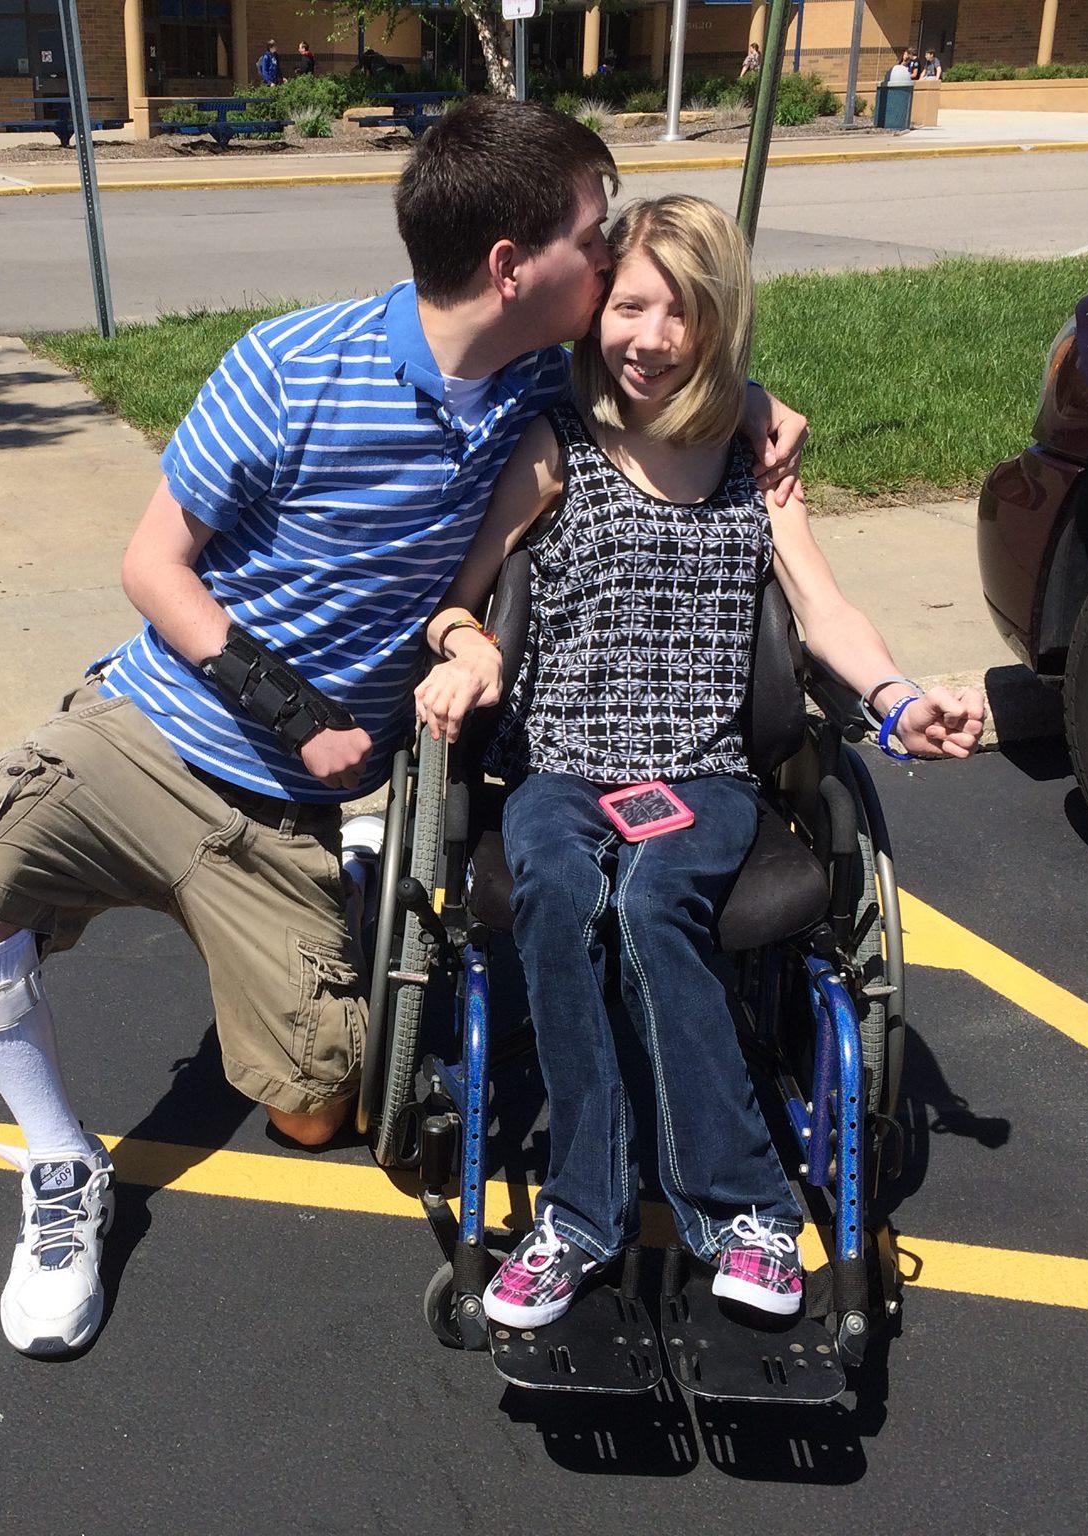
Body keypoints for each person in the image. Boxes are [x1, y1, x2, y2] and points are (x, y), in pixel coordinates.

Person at [0, 102, 810, 1360]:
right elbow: (150, 563)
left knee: (315, 1112)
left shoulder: (529, 399)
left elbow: (667, 378)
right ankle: (60, 1167)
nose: (611, 263)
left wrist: (760, 408)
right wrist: (293, 711)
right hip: (151, 734)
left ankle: (328, 904)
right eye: (592, 237)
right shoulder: (289, 365)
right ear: (512, 265)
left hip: (284, 817)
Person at [413, 194, 981, 1330]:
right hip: (560, 770)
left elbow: (820, 607)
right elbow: (458, 597)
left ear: (718, 325)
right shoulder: (554, 445)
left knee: (659, 898)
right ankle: (580, 1214)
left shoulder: (750, 463)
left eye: (681, 312)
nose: (649, 337)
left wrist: (897, 696)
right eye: (628, 306)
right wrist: (462, 648)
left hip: (704, 773)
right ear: (594, 314)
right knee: (565, 895)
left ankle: (745, 1213)